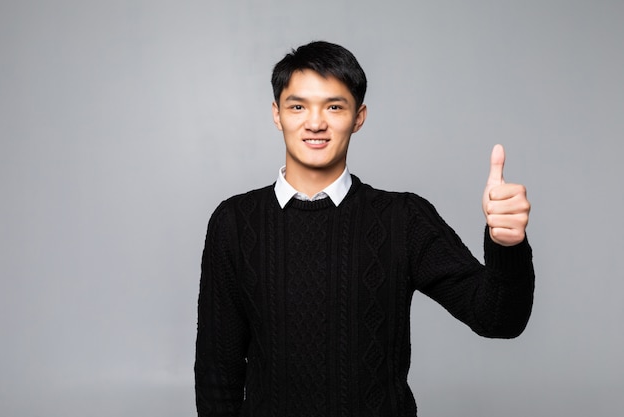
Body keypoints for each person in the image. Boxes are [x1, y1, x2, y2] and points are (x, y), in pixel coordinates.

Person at [195, 41, 534, 417]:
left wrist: (507, 246)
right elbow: (217, 372)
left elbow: (499, 319)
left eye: (334, 106)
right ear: (277, 114)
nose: (315, 122)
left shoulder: (403, 218)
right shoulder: (235, 221)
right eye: (298, 106)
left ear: (359, 117)